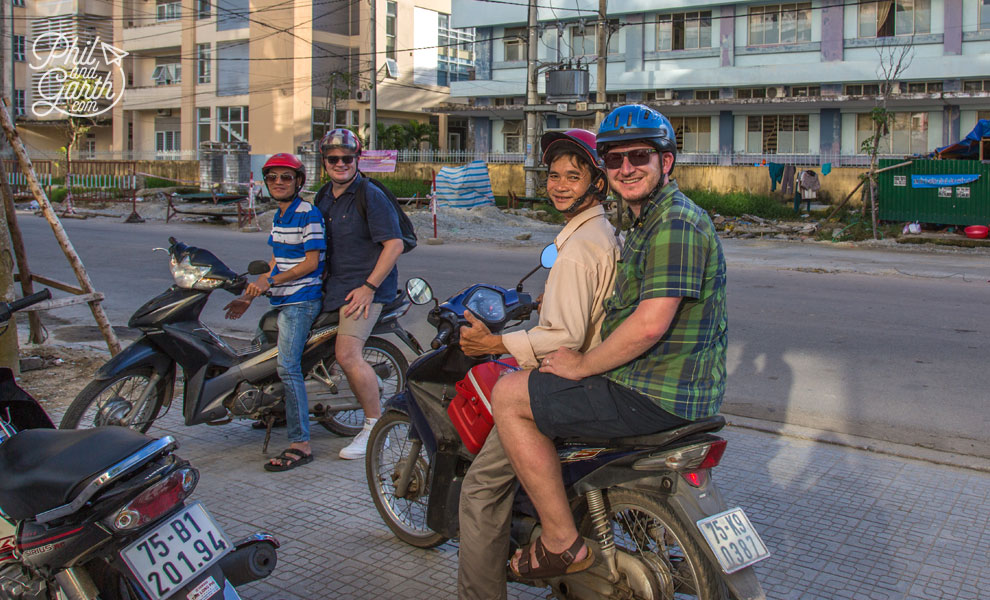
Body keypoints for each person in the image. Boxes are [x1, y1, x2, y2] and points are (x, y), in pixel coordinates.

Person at [490, 104, 728, 580]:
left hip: (653, 394)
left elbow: (648, 325)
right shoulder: (645, 220)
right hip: (660, 387)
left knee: (509, 395)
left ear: (667, 161)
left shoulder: (674, 223)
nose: (626, 169)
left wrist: (580, 365)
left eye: (639, 156)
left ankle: (561, 541)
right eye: (615, 160)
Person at [456, 129, 619, 599]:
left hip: (570, 379)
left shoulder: (579, 248)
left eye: (574, 175)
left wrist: (493, 344)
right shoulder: (602, 232)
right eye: (553, 175)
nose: (559, 185)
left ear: (598, 184)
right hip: (600, 375)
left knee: (481, 488)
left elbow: (564, 336)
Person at [224, 153, 326, 472]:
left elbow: (311, 262)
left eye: (286, 177)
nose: (279, 183)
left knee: (287, 367)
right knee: (260, 355)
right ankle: (276, 411)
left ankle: (300, 443)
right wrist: (251, 292)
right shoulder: (279, 215)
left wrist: (272, 282)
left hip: (301, 300)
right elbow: (276, 257)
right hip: (280, 297)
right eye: (273, 177)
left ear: (298, 181)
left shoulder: (308, 214)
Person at [314, 129, 404, 460]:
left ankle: (373, 427)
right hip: (332, 286)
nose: (340, 164)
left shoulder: (370, 195)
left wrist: (368, 288)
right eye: (333, 158)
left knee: (347, 355)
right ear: (324, 161)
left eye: (347, 158)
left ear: (357, 159)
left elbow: (394, 245)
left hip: (366, 290)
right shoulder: (324, 196)